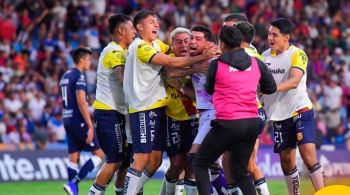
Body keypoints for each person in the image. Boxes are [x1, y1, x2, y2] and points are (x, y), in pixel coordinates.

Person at [122, 10, 216, 195]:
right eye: (151, 22)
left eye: (157, 21)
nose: (157, 25)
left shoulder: (156, 44)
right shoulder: (141, 47)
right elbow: (168, 65)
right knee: (143, 158)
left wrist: (205, 50)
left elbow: (173, 52)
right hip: (144, 109)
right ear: (140, 27)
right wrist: (200, 61)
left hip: (160, 110)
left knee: (156, 161)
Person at [193, 25, 276, 195]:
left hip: (228, 123)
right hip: (252, 123)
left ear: (222, 44)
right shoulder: (256, 62)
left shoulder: (216, 65)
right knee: (239, 171)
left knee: (200, 163)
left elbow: (209, 90)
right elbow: (271, 87)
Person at [261, 18, 325, 195]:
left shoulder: (297, 54)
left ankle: (323, 192)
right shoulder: (264, 56)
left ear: (286, 37)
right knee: (286, 161)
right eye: (269, 34)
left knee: (308, 156)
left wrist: (267, 89)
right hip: (279, 116)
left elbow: (294, 80)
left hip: (300, 110)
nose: (270, 38)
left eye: (275, 34)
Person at [88, 13, 136, 195]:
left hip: (119, 113)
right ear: (122, 30)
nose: (134, 32)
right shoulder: (113, 51)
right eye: (132, 29)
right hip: (108, 112)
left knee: (124, 160)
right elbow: (123, 80)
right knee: (114, 160)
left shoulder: (124, 51)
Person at [223, 19, 271, 195]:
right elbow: (267, 86)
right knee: (249, 165)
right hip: (256, 113)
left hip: (242, 114)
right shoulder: (256, 55)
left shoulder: (242, 56)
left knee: (229, 162)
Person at [159, 27, 199, 195]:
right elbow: (169, 73)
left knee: (191, 164)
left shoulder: (197, 60)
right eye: (178, 42)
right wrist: (194, 70)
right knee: (175, 164)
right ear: (172, 44)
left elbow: (199, 94)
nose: (183, 45)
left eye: (186, 41)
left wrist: (183, 85)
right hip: (171, 118)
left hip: (193, 118)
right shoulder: (167, 61)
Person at [188, 25, 227, 195]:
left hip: (215, 113)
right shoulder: (195, 59)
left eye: (198, 39)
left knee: (195, 158)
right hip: (204, 113)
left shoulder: (215, 58)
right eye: (191, 38)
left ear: (209, 43)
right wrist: (183, 88)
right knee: (212, 164)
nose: (192, 42)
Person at [60, 47, 104, 195]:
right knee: (99, 155)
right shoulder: (79, 76)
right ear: (81, 60)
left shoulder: (65, 75)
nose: (90, 62)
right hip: (78, 120)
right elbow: (81, 102)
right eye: (88, 59)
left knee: (73, 157)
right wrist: (90, 125)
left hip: (67, 119)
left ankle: (74, 192)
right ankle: (73, 183)